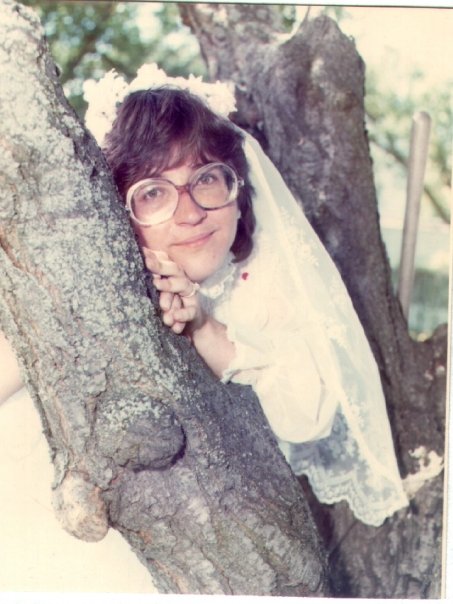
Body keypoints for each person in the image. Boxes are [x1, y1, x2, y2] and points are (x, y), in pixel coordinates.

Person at [1, 67, 409, 528]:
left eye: (207, 179)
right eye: (153, 193)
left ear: (238, 189)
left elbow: (306, 416)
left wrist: (204, 329)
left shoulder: (257, 284)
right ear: (114, 210)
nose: (191, 213)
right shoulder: (77, 285)